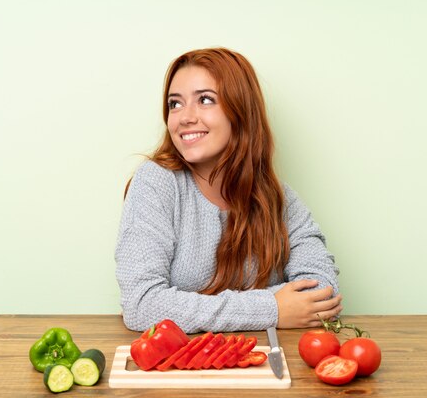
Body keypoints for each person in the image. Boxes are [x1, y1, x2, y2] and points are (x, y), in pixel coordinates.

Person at [115, 48, 341, 334]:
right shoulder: (156, 182)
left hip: (261, 364)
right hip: (179, 368)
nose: (185, 117)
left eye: (205, 100)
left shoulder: (277, 197)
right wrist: (273, 308)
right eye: (175, 104)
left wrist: (183, 306)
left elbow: (323, 293)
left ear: (240, 110)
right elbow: (143, 305)